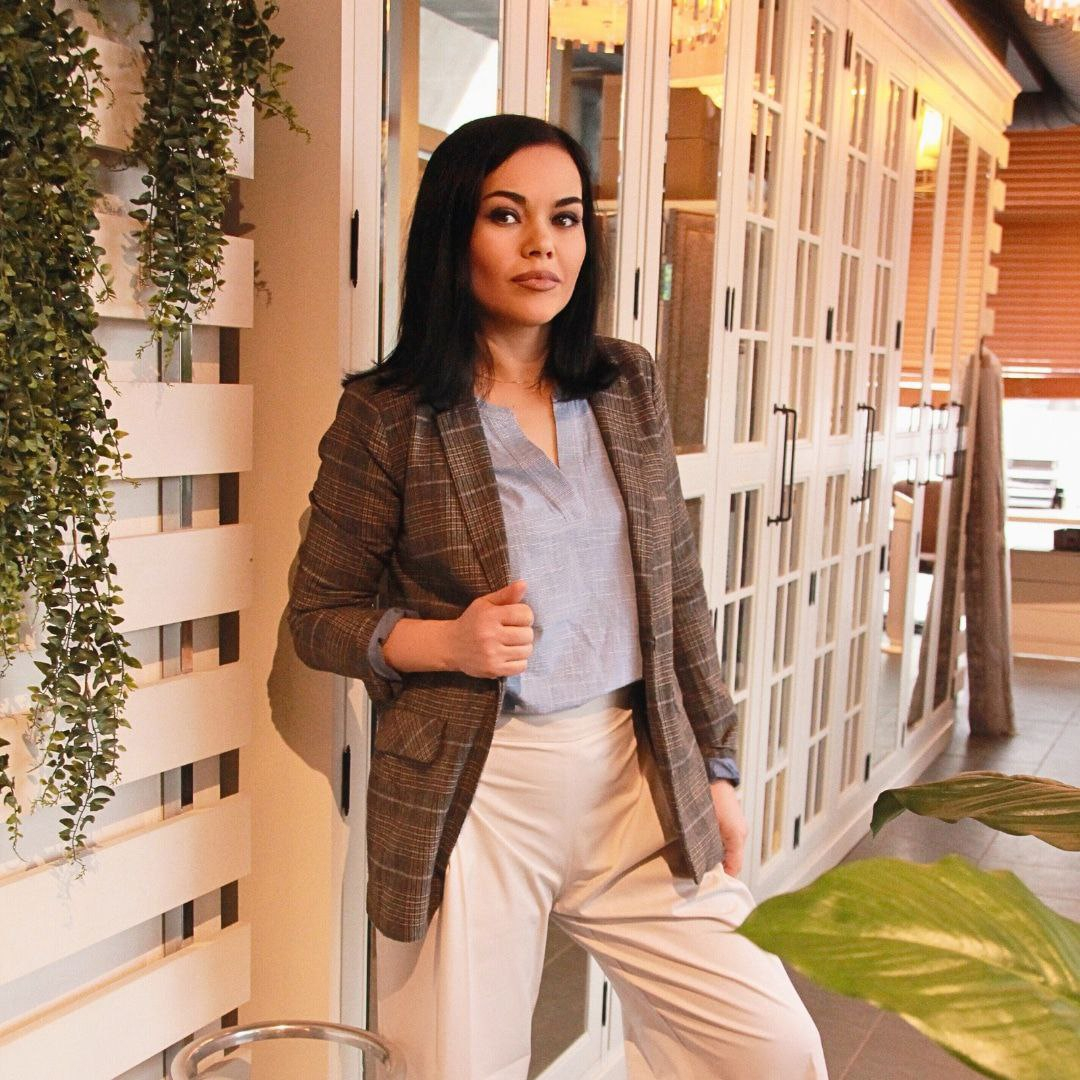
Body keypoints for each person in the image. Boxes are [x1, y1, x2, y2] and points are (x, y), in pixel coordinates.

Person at [287, 114, 827, 1080]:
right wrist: (444, 643)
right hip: (478, 789)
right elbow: (318, 617)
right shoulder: (390, 415)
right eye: (507, 215)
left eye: (567, 218)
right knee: (459, 1069)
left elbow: (679, 591)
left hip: (632, 772)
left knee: (771, 1050)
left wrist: (718, 766)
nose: (544, 244)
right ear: (454, 235)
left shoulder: (625, 382)